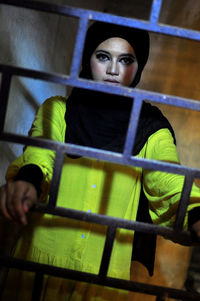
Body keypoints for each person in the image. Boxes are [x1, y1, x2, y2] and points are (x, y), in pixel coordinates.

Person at [0, 21, 200, 301]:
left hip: (103, 281)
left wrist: (196, 212)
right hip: (39, 266)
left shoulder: (151, 129)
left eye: (126, 60)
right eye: (103, 56)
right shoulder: (58, 110)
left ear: (139, 66)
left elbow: (168, 180)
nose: (113, 70)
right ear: (86, 59)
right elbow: (40, 152)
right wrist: (29, 180)